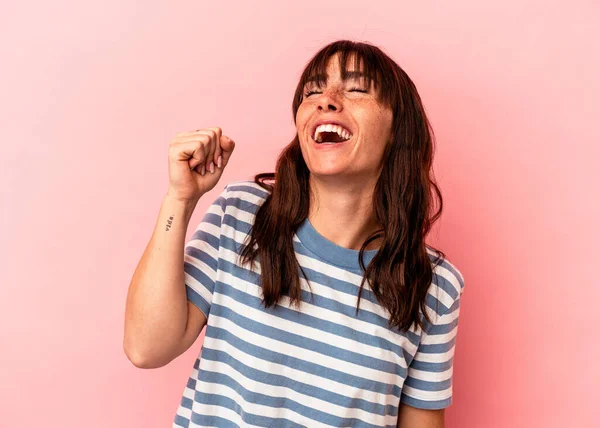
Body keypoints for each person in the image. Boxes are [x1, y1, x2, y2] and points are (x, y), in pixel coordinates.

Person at [124, 39, 465, 428]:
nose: (327, 100)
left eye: (355, 89)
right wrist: (179, 199)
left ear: (396, 131)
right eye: (313, 91)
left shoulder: (435, 287)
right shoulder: (240, 216)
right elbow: (145, 348)